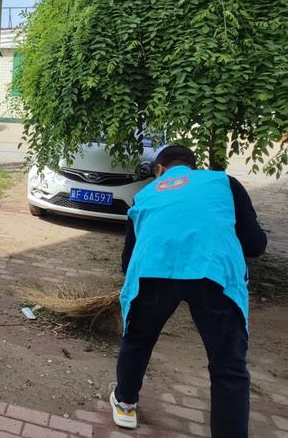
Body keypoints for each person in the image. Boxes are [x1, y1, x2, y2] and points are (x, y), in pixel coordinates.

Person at [111, 145, 266, 438]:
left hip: (152, 272)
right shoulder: (224, 182)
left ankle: (125, 403)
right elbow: (255, 245)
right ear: (192, 167)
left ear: (159, 169)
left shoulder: (146, 194)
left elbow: (127, 261)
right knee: (228, 367)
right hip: (213, 273)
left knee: (138, 340)